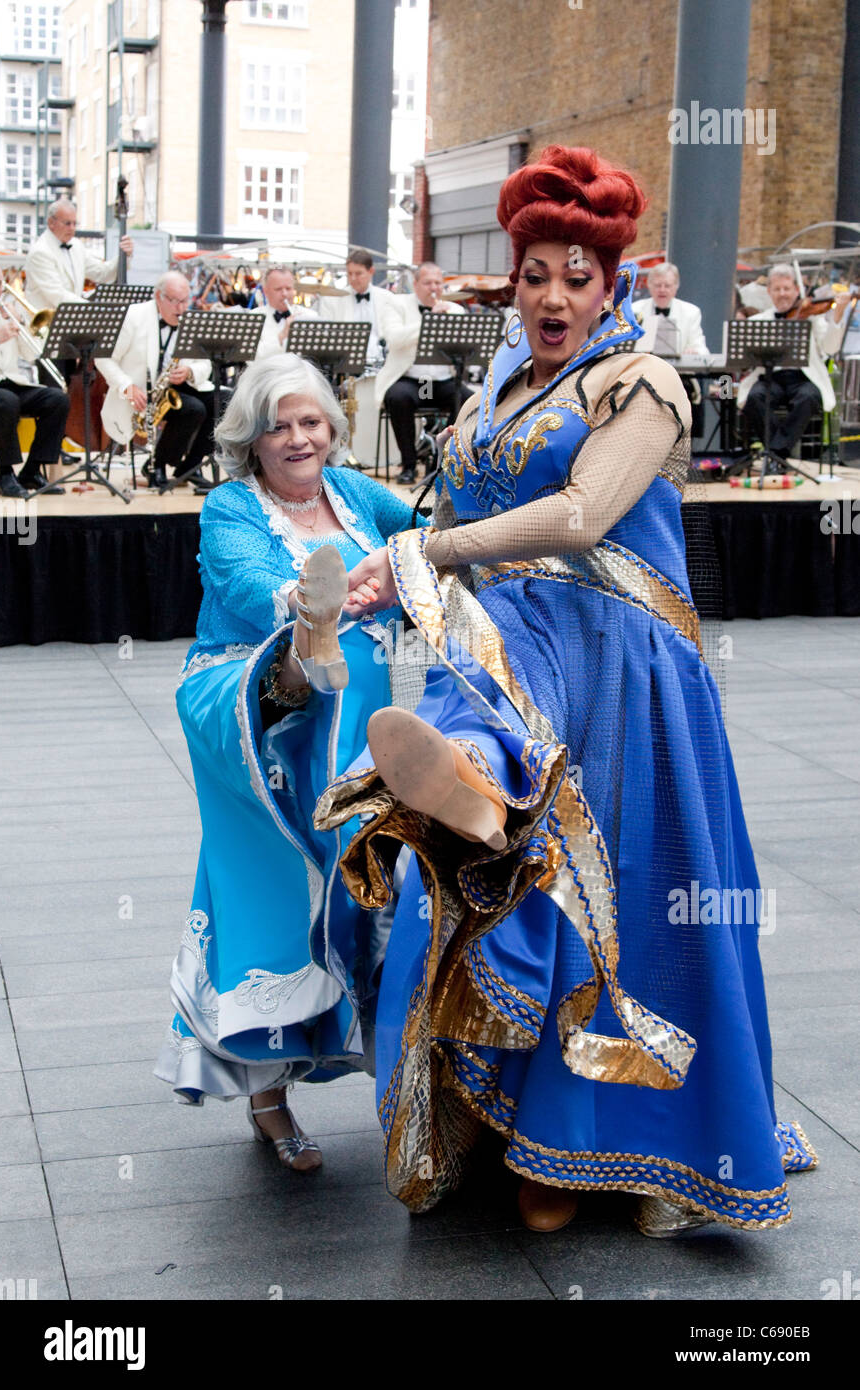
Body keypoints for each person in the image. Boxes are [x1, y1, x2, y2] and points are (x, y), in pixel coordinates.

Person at [315, 145, 818, 1235]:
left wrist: (425, 556)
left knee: (620, 899)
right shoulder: (503, 384)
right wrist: (387, 565)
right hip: (508, 644)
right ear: (514, 275)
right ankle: (522, 1127)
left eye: (573, 276)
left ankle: (631, 1150)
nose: (551, 294)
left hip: (616, 664)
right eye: (534, 272)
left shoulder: (641, 382)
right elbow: (451, 511)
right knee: (506, 873)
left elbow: (582, 517)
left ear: (613, 280)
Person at [154, 352, 427, 1169]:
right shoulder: (229, 506)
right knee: (278, 881)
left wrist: (402, 567)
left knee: (370, 878)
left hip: (363, 722)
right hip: (253, 701)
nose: (298, 438)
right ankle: (268, 1097)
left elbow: (423, 539)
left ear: (333, 431)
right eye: (279, 425)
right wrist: (321, 600)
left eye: (311, 422)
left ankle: (405, 1074)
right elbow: (243, 586)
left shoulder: (359, 497)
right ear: (251, 439)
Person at [95, 271, 215, 492]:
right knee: (194, 409)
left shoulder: (189, 319)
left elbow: (205, 364)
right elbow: (103, 357)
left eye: (185, 301)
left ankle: (189, 467)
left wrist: (189, 371)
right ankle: (156, 466)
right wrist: (126, 386)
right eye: (174, 301)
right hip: (138, 396)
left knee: (223, 401)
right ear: (158, 297)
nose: (181, 308)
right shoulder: (133, 316)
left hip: (174, 389)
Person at [738, 264, 848, 464]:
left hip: (803, 377)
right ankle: (779, 455)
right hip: (770, 376)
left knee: (809, 397)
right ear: (769, 292)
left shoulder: (812, 318)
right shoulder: (759, 320)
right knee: (754, 398)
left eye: (787, 289)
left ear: (797, 291)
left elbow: (830, 349)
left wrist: (837, 316)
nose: (782, 294)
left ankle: (776, 455)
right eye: (777, 289)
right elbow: (745, 362)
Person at [374, 261, 469, 483]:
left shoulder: (455, 309)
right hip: (411, 379)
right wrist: (430, 322)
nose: (433, 288)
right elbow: (394, 339)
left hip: (442, 380)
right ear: (415, 284)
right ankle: (408, 464)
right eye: (428, 283)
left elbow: (465, 348)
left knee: (470, 400)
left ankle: (444, 460)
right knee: (397, 397)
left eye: (438, 283)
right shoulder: (397, 304)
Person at [24, 198, 133, 387]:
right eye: (67, 223)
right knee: (55, 390)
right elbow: (58, 296)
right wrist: (95, 310)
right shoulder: (40, 252)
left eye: (75, 223)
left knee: (71, 386)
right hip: (47, 334)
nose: (72, 228)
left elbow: (102, 273)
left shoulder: (76, 246)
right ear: (51, 222)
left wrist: (124, 255)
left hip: (69, 331)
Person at [0, 263, 69, 497]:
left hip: (9, 381)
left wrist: (22, 326)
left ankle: (33, 470)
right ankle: (5, 473)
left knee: (57, 399)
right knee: (7, 402)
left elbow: (29, 355)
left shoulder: (2, 311)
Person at [634, 262, 709, 436]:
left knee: (681, 393)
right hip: (642, 377)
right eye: (658, 285)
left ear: (676, 287)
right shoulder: (634, 310)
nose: (662, 290)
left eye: (667, 285)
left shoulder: (691, 312)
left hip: (680, 377)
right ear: (649, 286)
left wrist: (693, 352)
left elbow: (701, 349)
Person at [317, 247, 402, 366]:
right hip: (346, 364)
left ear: (371, 271)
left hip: (382, 363)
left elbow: (394, 334)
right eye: (350, 273)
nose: (353, 278)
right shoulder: (333, 301)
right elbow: (325, 338)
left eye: (358, 274)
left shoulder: (388, 298)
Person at [254, 265, 318, 358]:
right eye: (278, 289)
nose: (285, 294)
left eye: (288, 288)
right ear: (265, 291)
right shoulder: (255, 317)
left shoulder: (310, 316)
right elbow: (252, 360)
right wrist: (282, 336)